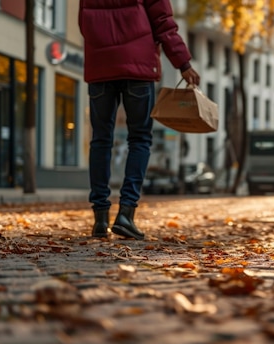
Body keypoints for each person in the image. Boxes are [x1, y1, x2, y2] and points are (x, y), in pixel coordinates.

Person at [79, 0, 200, 240]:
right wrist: (183, 63)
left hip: (100, 67)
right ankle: (126, 213)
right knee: (140, 139)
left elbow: (84, 22)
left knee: (101, 139)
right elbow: (164, 23)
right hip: (138, 68)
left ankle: (100, 219)